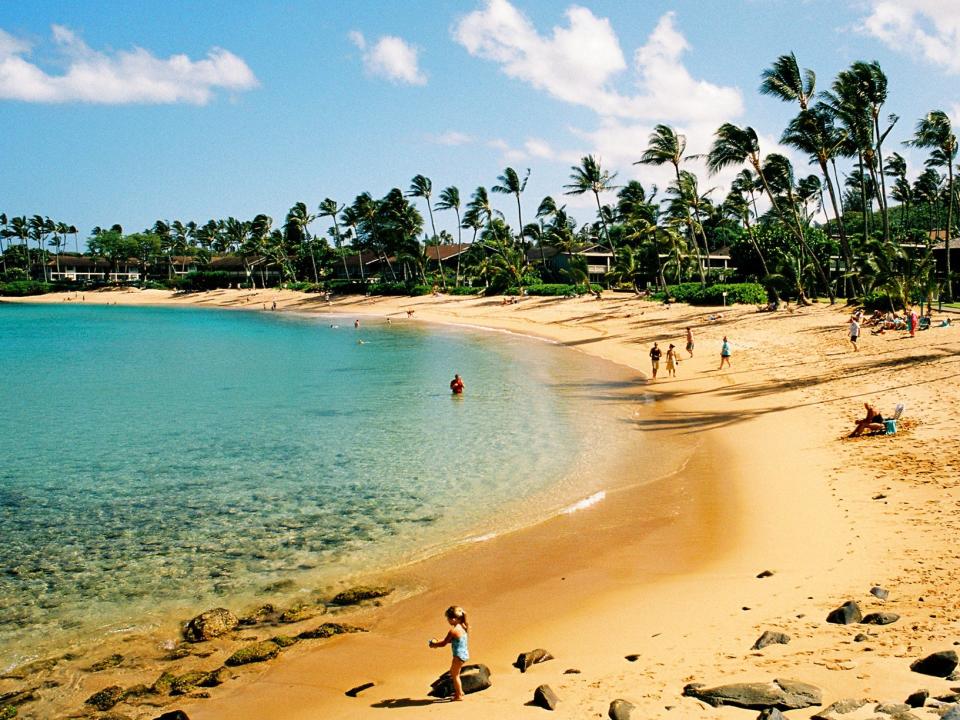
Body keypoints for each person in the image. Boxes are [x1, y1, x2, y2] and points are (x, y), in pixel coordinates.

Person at [429, 606, 470, 701]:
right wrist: (437, 642)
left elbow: (443, 644)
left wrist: (434, 644)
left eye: (448, 618)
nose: (448, 620)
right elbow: (454, 641)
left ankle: (459, 695)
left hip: (458, 656)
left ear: (453, 619)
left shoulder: (453, 631)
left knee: (455, 675)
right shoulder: (463, 626)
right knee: (456, 673)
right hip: (464, 654)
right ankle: (460, 691)